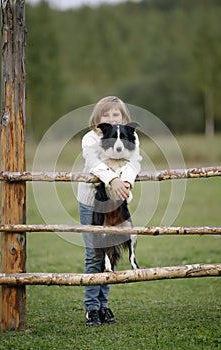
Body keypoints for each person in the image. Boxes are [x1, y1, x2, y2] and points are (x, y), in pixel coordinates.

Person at [77, 96, 142, 326]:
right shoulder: (90, 138)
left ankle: (104, 306)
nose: (112, 118)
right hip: (90, 202)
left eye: (116, 114)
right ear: (98, 118)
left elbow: (135, 162)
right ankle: (92, 308)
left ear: (124, 118)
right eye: (106, 114)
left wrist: (126, 182)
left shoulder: (128, 136)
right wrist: (113, 179)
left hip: (116, 201)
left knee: (111, 252)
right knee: (94, 253)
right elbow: (94, 163)